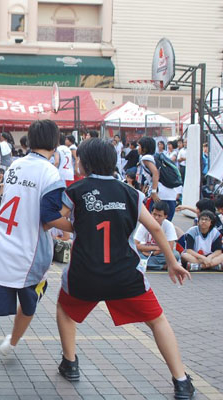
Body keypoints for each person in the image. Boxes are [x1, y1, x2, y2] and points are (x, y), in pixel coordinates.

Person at [55, 138, 194, 400]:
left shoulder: (75, 190)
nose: (76, 162)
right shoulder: (131, 193)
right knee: (157, 321)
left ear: (86, 162)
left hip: (85, 274)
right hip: (125, 275)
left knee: (64, 309)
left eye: (78, 158)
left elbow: (53, 218)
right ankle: (181, 381)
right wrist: (173, 262)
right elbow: (155, 228)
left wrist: (78, 226)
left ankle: (70, 363)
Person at [0, 120, 67, 393]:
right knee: (30, 303)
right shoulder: (50, 173)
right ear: (55, 142)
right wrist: (75, 224)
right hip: (28, 255)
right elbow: (49, 219)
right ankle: (12, 342)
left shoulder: (14, 165)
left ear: (30, 140)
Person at [138, 136, 180, 221]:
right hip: (170, 194)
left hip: (159, 195)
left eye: (139, 146)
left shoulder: (146, 158)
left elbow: (155, 173)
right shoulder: (156, 157)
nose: (137, 148)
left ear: (144, 148)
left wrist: (153, 192)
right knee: (166, 224)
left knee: (153, 224)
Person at [134, 201, 181, 271]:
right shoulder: (145, 224)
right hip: (144, 252)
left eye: (159, 216)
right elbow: (135, 244)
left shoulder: (168, 225)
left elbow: (170, 247)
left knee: (175, 255)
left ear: (165, 216)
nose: (156, 218)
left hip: (160, 253)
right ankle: (162, 266)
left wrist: (153, 253)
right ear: (151, 213)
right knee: (133, 254)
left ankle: (142, 264)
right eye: (154, 214)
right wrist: (154, 248)